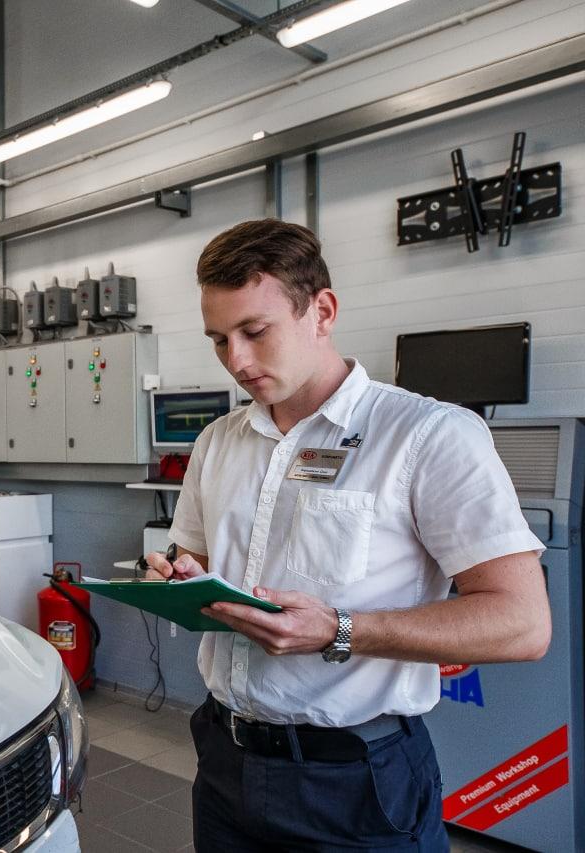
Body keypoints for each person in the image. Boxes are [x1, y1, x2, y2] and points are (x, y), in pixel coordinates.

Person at [144, 219, 550, 851]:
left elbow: (522, 623)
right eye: (219, 340)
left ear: (322, 311)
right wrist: (177, 576)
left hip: (357, 779)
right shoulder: (219, 441)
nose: (237, 361)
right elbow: (192, 556)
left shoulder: (428, 435)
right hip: (224, 759)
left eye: (255, 331)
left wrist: (340, 630)